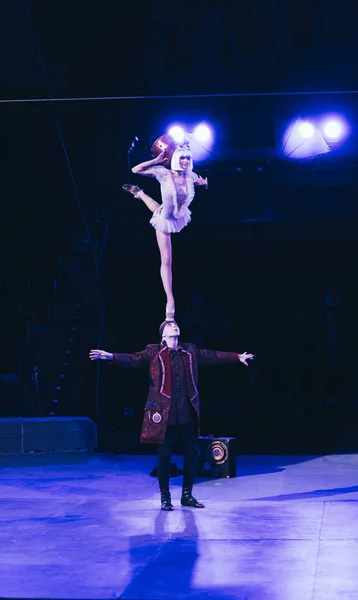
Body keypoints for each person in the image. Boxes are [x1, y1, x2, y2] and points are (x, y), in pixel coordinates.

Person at [89, 320, 254, 511]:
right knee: (164, 456)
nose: (174, 326)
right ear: (163, 335)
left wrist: (236, 357)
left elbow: (212, 356)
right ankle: (165, 498)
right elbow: (133, 359)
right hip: (164, 413)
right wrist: (111, 356)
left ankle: (187, 495)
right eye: (169, 325)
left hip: (186, 413)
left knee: (192, 453)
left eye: (175, 324)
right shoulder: (153, 352)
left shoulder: (190, 351)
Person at [122, 134, 208, 321]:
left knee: (160, 210)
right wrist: (156, 160)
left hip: (178, 214)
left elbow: (201, 182)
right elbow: (135, 169)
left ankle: (139, 194)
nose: (185, 161)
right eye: (182, 157)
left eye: (188, 158)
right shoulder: (164, 173)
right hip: (166, 219)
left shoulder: (191, 176)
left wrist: (205, 182)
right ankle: (170, 299)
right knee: (167, 259)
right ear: (175, 158)